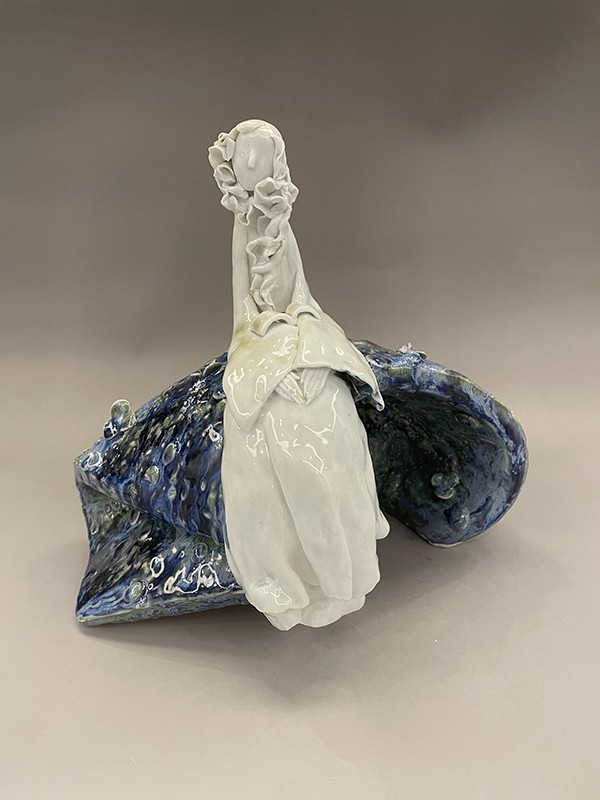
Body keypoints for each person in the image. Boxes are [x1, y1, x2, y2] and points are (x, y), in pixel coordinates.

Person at [208, 119, 389, 630]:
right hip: (259, 346)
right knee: (266, 435)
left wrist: (308, 355)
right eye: (243, 157)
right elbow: (243, 315)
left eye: (260, 156)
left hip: (298, 337)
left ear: (276, 163)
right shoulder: (242, 227)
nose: (251, 165)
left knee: (333, 412)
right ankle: (286, 578)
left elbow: (301, 296)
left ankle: (346, 569)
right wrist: (270, 367)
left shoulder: (281, 226)